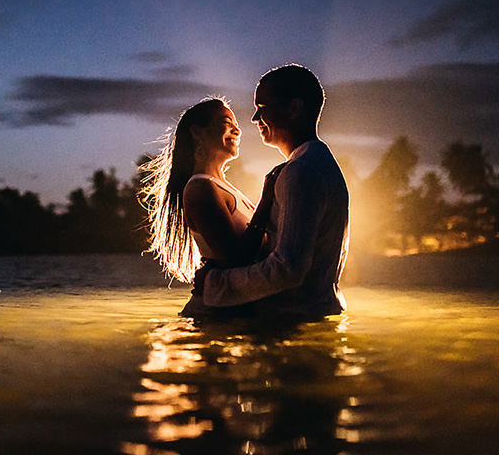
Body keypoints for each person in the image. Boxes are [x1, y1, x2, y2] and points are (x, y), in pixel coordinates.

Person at [194, 64, 350, 319]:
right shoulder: (320, 163)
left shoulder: (300, 171)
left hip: (290, 324)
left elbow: (288, 268)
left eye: (262, 108)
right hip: (312, 317)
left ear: (293, 109)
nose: (255, 119)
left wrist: (215, 283)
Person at [139, 97, 282, 318]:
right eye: (227, 122)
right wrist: (267, 197)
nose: (237, 130)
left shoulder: (224, 188)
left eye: (236, 124)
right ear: (198, 133)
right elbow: (236, 259)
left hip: (232, 313)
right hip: (212, 317)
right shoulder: (200, 188)